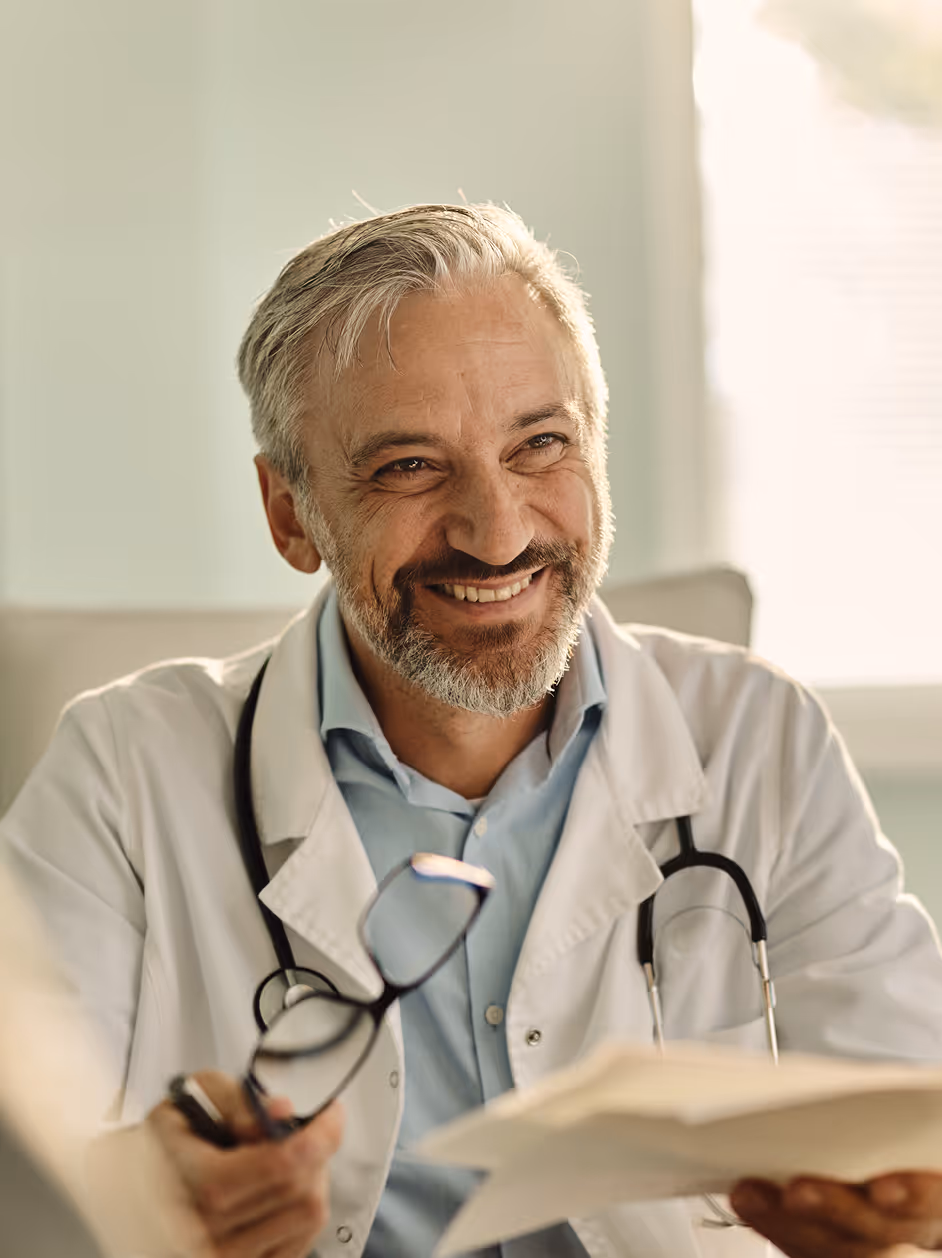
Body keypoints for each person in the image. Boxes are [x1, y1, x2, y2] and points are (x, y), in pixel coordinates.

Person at [3, 202, 942, 1258]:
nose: (496, 532)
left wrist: (895, 1217)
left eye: (541, 445)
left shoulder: (759, 738)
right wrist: (131, 1198)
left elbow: (906, 1125)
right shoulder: (124, 775)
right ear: (290, 513)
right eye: (409, 466)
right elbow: (24, 1193)